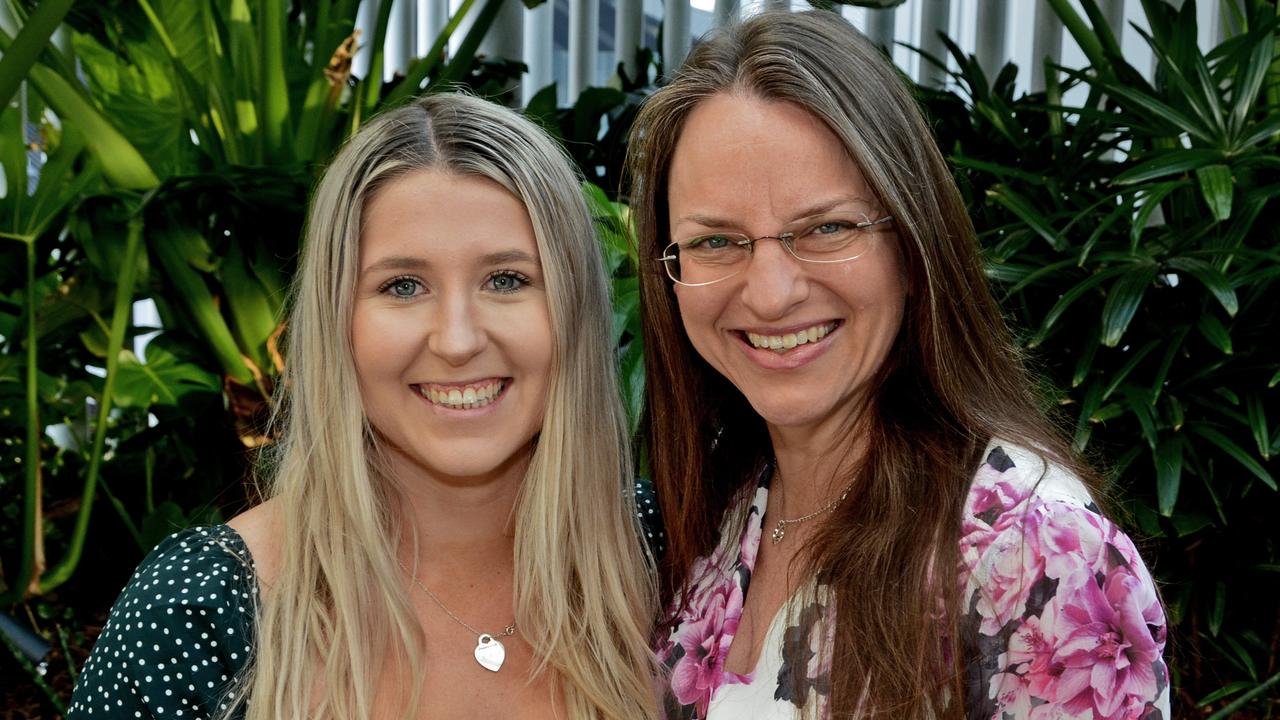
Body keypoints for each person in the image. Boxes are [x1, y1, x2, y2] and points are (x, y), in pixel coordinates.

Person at [627, 11, 1169, 720]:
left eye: (827, 227)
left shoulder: (1036, 553)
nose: (770, 292)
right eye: (715, 242)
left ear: (913, 245)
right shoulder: (721, 505)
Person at [68, 93, 660, 719]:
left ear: (576, 307)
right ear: (334, 321)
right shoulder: (199, 614)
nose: (457, 340)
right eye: (402, 286)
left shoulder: (671, 553)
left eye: (507, 279)